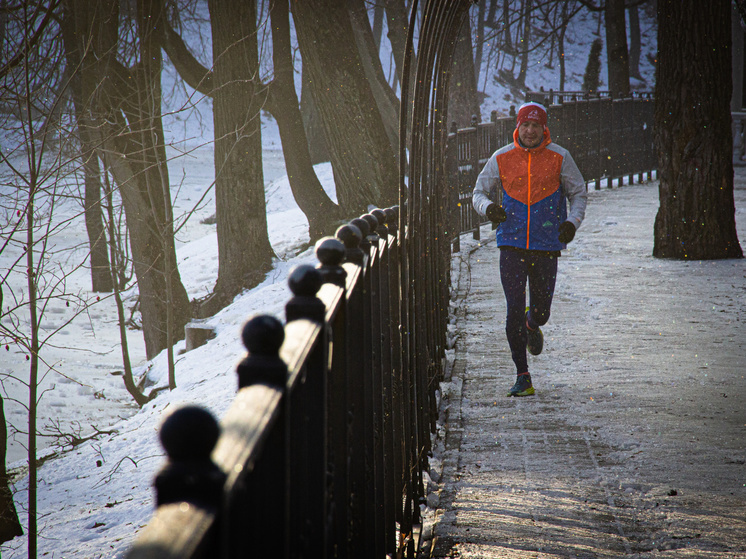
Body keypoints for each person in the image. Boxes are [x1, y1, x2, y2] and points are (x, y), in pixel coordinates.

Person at [472, 102, 587, 397]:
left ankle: (532, 323)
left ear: (544, 128)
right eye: (526, 125)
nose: (531, 131)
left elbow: (578, 193)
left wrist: (571, 223)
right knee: (512, 309)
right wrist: (489, 209)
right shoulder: (501, 157)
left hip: (546, 246)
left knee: (542, 311)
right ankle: (522, 375)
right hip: (510, 244)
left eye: (536, 125)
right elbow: (478, 192)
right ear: (518, 126)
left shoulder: (560, 157)